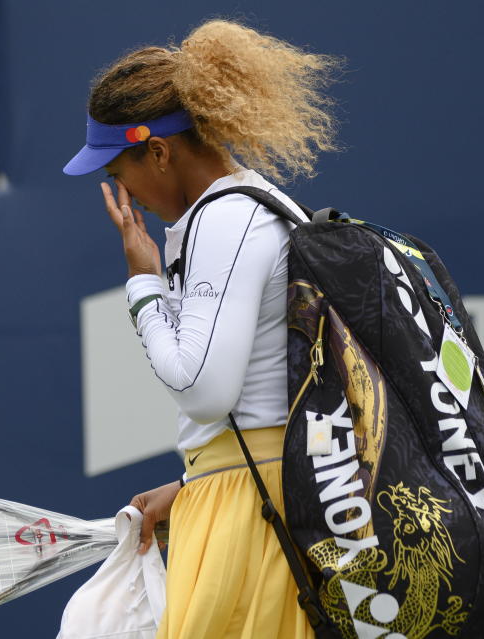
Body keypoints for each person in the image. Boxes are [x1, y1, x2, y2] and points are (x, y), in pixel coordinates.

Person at [62, 19, 341, 639]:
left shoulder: (227, 220)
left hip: (256, 510)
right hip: (246, 493)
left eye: (118, 173)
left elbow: (202, 388)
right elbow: (246, 405)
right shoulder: (242, 211)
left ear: (158, 151)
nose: (122, 192)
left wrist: (143, 284)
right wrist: (189, 488)